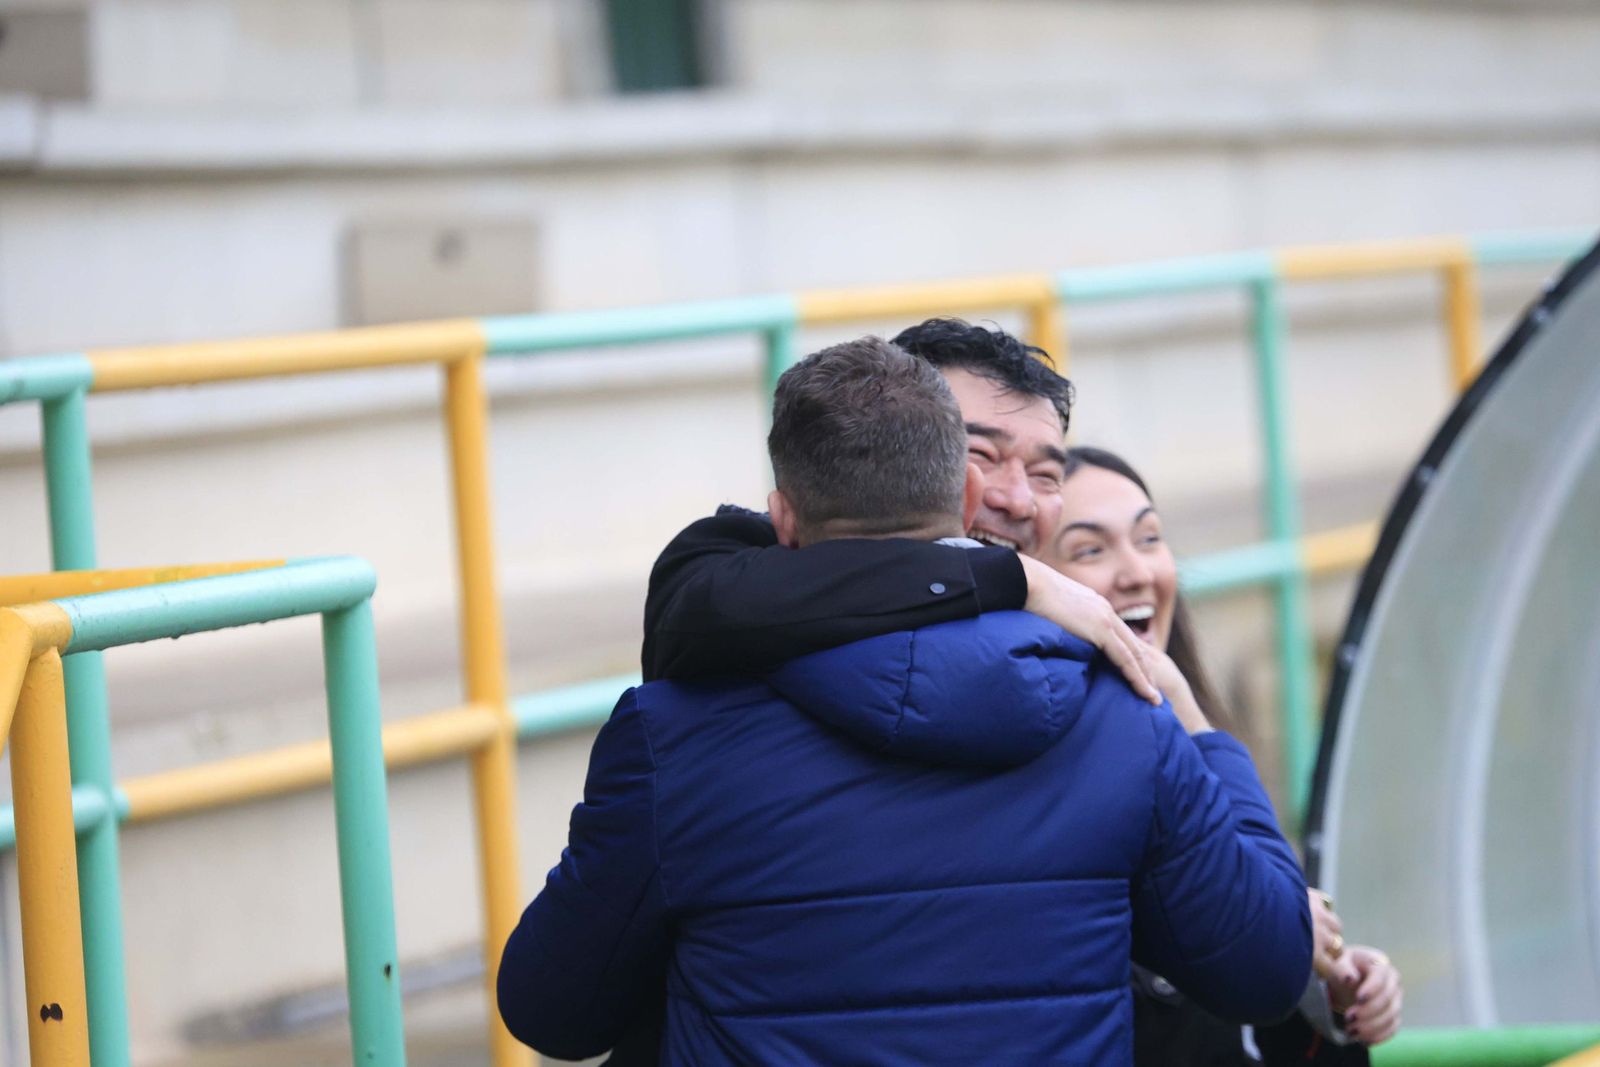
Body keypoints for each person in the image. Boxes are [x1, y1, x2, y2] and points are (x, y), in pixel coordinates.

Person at [499, 337, 1313, 1064]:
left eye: (1044, 471)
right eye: (988, 459)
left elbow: (553, 1010)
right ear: (959, 499)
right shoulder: (1127, 720)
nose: (1019, 502)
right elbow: (1269, 968)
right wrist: (1201, 734)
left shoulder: (674, 734)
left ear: (782, 519)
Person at [1044, 445, 1405, 1065]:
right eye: (1090, 550)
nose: (1137, 572)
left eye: (1149, 538)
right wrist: (1270, 925)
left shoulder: (1196, 729)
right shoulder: (1052, 773)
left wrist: (1323, 989)